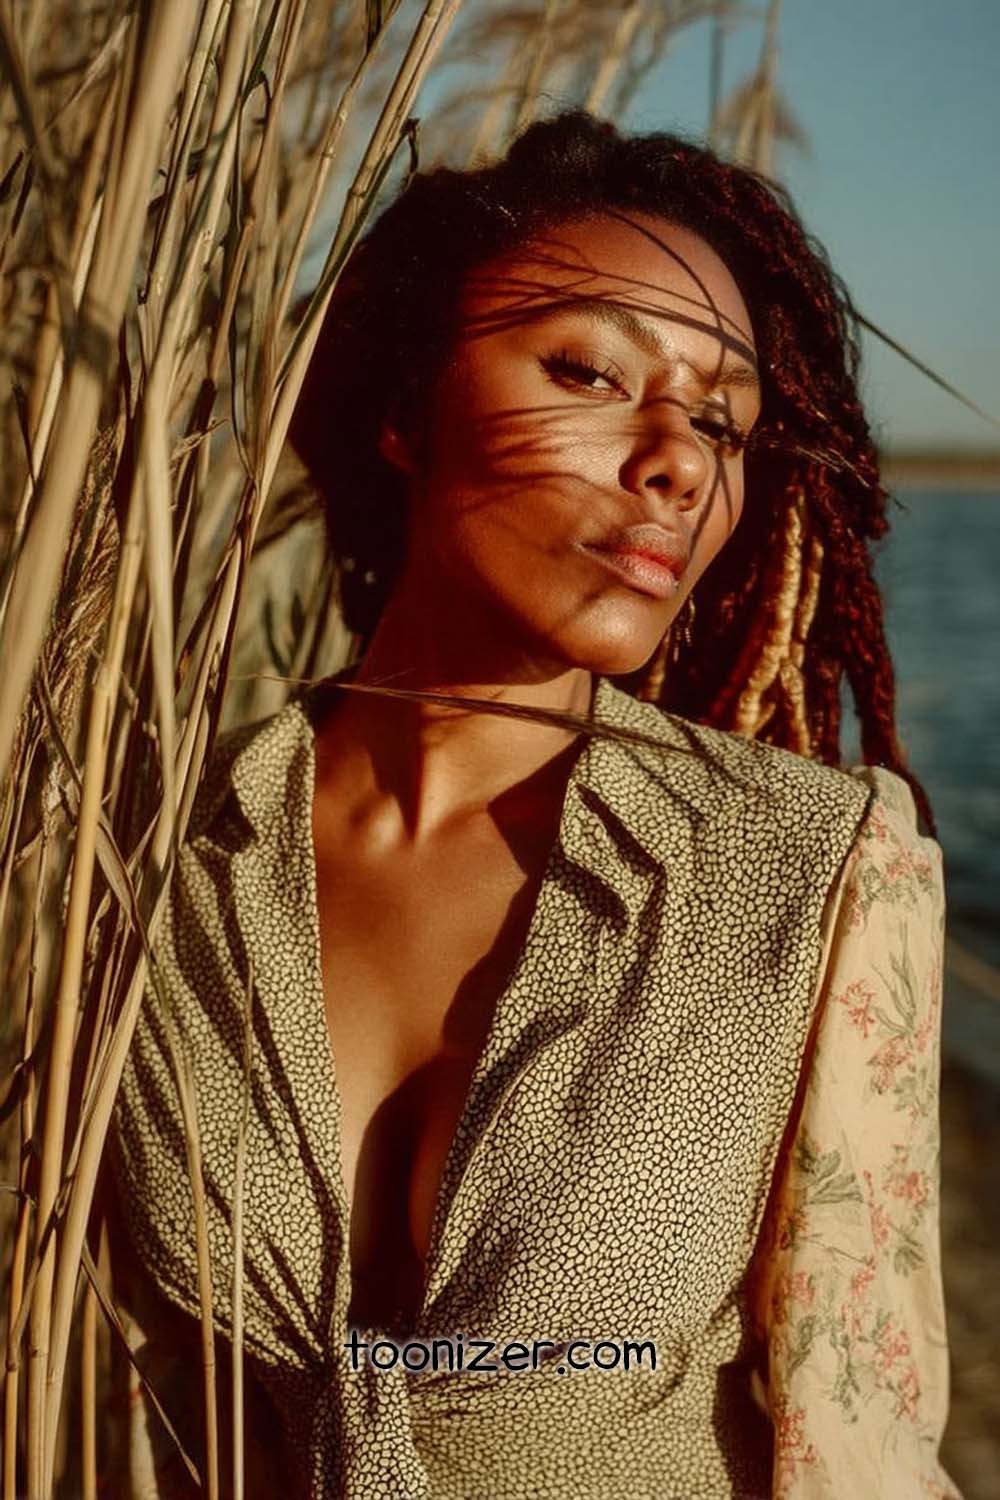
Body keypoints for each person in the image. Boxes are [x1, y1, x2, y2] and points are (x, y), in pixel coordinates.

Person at [109, 110, 963, 1498]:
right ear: (405, 410)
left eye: (721, 422)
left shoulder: (811, 868)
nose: (679, 461)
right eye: (589, 372)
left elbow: (858, 1435)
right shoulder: (146, 851)